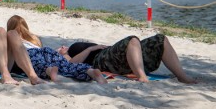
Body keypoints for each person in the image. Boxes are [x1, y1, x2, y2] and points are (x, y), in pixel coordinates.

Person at [6, 15, 107, 84]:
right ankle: (90, 71)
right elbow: (42, 51)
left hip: (29, 53)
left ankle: (50, 71)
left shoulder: (12, 37)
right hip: (47, 50)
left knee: (38, 65)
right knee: (67, 65)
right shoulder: (33, 38)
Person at [59, 34, 197, 84]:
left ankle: (182, 76)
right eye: (61, 47)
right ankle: (142, 77)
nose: (63, 46)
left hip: (115, 56)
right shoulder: (69, 52)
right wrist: (90, 49)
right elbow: (71, 64)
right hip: (100, 60)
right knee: (132, 39)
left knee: (160, 39)